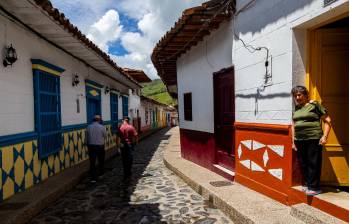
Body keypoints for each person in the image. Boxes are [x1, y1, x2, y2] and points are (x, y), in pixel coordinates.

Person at [291, 86, 331, 196]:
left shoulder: (314, 105)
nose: (297, 97)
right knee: (303, 163)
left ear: (305, 95)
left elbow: (328, 121)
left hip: (313, 138)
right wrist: (293, 141)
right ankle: (309, 184)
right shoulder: (297, 108)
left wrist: (325, 137)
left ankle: (315, 187)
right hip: (299, 139)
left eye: (299, 95)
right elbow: (293, 125)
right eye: (295, 95)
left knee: (314, 162)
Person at [86, 115, 107, 182]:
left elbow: (86, 137)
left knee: (92, 162)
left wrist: (87, 145)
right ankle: (101, 174)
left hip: (91, 146)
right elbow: (105, 136)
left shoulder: (88, 127)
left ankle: (93, 178)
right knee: (101, 161)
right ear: (99, 120)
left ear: (93, 120)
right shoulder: (102, 127)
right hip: (100, 146)